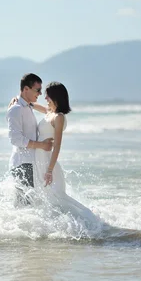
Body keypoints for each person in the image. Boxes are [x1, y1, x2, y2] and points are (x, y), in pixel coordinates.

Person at [30, 81, 100, 225]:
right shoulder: (49, 112)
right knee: (47, 198)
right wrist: (20, 100)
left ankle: (88, 222)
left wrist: (49, 170)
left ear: (55, 97)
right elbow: (34, 105)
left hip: (49, 163)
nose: (45, 99)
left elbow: (57, 146)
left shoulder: (59, 117)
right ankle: (57, 227)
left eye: (48, 96)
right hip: (40, 159)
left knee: (57, 197)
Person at [6, 73, 54, 205]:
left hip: (31, 163)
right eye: (37, 90)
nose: (39, 94)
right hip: (22, 164)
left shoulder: (28, 106)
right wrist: (42, 145)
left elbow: (49, 110)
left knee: (31, 205)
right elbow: (15, 139)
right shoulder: (15, 109)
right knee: (24, 206)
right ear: (26, 89)